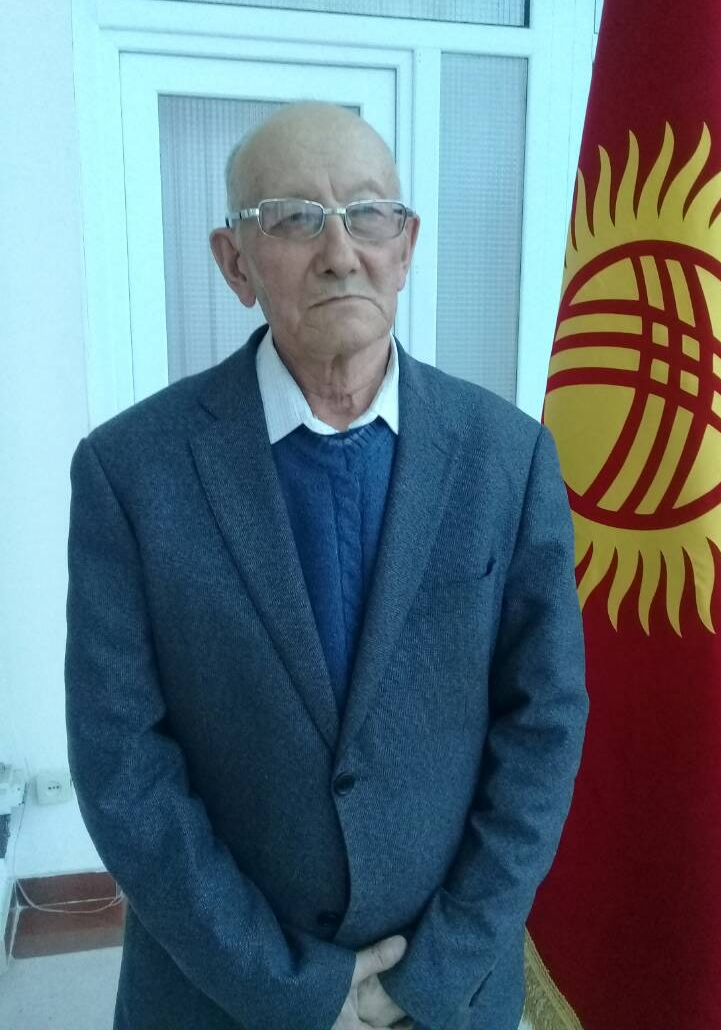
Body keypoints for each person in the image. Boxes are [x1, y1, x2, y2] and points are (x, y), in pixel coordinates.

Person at [65, 102, 588, 1030]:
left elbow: (542, 726)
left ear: (406, 245)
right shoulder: (131, 473)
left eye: (369, 214)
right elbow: (122, 767)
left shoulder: (508, 459)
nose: (341, 253)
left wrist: (438, 969)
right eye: (296, 218)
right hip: (218, 997)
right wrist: (287, 986)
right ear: (234, 262)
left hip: (446, 992)